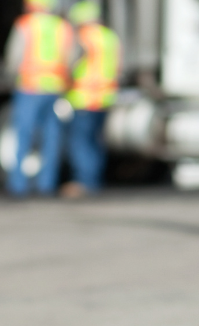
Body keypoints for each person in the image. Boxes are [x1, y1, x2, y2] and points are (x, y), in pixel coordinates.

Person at [4, 0, 75, 197]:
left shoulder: (26, 25)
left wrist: (12, 76)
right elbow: (72, 58)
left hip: (29, 88)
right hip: (54, 89)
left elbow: (13, 57)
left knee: (24, 137)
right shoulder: (63, 28)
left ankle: (18, 185)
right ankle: (47, 185)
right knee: (51, 138)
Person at [62, 1, 121, 198]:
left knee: (81, 142)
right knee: (96, 142)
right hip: (105, 98)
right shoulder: (110, 37)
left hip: (84, 98)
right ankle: (94, 181)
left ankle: (84, 182)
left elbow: (71, 65)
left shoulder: (83, 38)